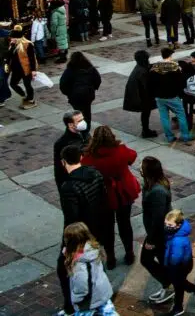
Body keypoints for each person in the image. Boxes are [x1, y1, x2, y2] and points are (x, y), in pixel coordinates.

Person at [57, 144, 108, 315]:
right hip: (97, 230)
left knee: (65, 268)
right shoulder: (95, 174)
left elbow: (71, 218)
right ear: (80, 158)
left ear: (63, 162)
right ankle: (98, 299)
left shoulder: (68, 187)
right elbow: (104, 201)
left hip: (80, 235)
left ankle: (71, 307)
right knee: (96, 265)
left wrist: (68, 244)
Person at [81, 125, 140, 269]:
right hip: (123, 191)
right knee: (125, 224)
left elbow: (85, 169)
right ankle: (129, 253)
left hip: (104, 195)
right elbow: (132, 156)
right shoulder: (120, 150)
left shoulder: (90, 157)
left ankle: (111, 257)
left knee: (107, 228)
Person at [140, 156, 174, 304]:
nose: (140, 168)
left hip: (159, 234)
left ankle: (169, 284)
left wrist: (151, 240)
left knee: (146, 259)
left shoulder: (157, 191)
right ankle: (168, 285)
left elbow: (158, 219)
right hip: (157, 233)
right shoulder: (151, 185)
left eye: (142, 166)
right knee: (160, 260)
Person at [63, 222, 117, 316]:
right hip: (102, 292)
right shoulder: (92, 250)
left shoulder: (79, 264)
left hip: (88, 300)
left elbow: (82, 287)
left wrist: (75, 299)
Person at [164, 209, 195, 314]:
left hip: (180, 265)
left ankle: (178, 308)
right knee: (179, 282)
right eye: (165, 223)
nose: (166, 227)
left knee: (178, 285)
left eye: (169, 225)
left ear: (178, 226)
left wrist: (169, 266)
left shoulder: (178, 241)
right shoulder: (176, 233)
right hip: (184, 263)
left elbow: (175, 258)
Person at [150, 46, 192, 143]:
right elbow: (181, 82)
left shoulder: (154, 67)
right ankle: (185, 135)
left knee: (164, 117)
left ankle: (169, 137)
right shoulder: (175, 67)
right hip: (172, 96)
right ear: (170, 55)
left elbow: (151, 83)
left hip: (159, 97)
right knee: (181, 115)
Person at [59, 51, 101, 130]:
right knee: (87, 112)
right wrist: (93, 89)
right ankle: (86, 128)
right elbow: (98, 80)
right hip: (88, 95)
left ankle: (80, 129)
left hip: (75, 96)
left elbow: (63, 84)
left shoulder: (69, 70)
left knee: (78, 113)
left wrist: (69, 94)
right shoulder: (90, 69)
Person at [123, 49, 158, 138]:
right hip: (143, 97)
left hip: (141, 96)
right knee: (146, 113)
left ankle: (145, 130)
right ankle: (145, 131)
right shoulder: (142, 72)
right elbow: (146, 85)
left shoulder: (139, 68)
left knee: (145, 113)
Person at [54, 109, 89, 188]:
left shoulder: (84, 132)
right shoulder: (63, 143)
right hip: (77, 181)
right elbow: (59, 168)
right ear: (70, 125)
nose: (83, 122)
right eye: (79, 121)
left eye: (83, 119)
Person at [7, 25, 37, 109]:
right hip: (16, 69)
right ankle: (24, 95)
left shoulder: (27, 44)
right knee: (13, 84)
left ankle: (31, 99)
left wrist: (33, 70)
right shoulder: (13, 44)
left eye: (13, 38)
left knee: (27, 84)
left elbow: (32, 58)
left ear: (18, 38)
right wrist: (12, 46)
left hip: (26, 68)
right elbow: (9, 56)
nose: (11, 39)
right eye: (11, 38)